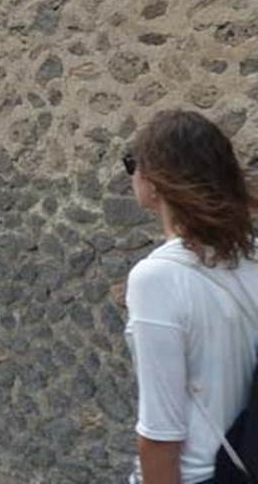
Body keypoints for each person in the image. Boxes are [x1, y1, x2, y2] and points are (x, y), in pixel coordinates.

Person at [124, 109, 258, 483]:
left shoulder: (157, 279)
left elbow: (161, 432)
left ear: (155, 183)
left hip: (198, 474)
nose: (132, 174)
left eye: (132, 163)